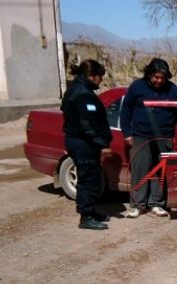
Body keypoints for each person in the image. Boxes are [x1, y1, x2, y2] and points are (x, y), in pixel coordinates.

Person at [119, 58, 177, 218]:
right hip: (141, 136)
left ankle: (156, 203)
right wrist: (127, 133)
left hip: (164, 137)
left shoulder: (172, 90)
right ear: (149, 74)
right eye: (156, 77)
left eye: (162, 78)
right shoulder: (137, 87)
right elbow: (126, 111)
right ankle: (137, 205)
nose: (159, 80)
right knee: (140, 170)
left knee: (159, 171)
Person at [61, 59, 113, 231]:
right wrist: (103, 144)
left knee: (91, 176)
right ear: (93, 76)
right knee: (88, 178)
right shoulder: (83, 94)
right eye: (100, 77)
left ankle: (91, 210)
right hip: (83, 143)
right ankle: (86, 217)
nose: (101, 81)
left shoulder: (76, 90)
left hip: (81, 141)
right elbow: (88, 125)